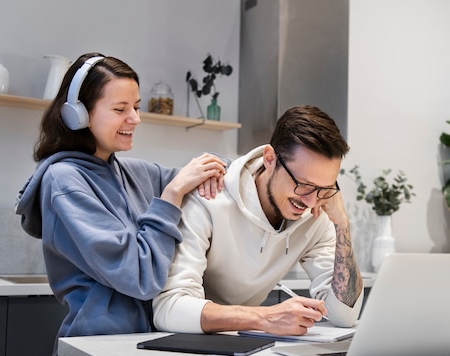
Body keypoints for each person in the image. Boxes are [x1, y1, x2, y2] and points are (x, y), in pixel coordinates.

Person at [14, 52, 227, 356]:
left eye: (137, 107)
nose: (135, 118)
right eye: (120, 109)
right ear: (77, 113)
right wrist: (173, 194)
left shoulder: (130, 171)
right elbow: (140, 277)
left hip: (147, 350)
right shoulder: (64, 181)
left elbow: (215, 178)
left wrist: (260, 168)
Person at [153, 105, 363, 336]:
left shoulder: (316, 215)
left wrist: (342, 224)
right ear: (270, 158)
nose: (311, 201)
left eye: (324, 188)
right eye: (303, 184)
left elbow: (345, 316)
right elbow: (169, 309)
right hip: (188, 345)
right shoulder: (210, 197)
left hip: (247, 342)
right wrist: (265, 317)